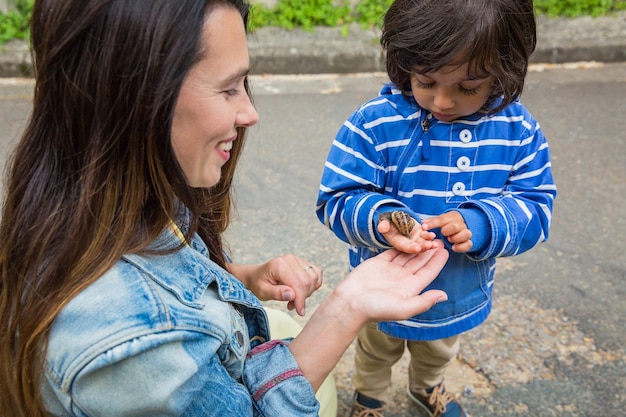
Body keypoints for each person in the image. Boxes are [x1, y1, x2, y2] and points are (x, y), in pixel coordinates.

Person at [0, 1, 452, 416]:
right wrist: (346, 310)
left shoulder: (107, 201)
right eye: (228, 88)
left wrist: (245, 277)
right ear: (137, 98)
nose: (250, 112)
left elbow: (171, 277)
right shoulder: (130, 348)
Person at [315, 0, 557, 416]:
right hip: (380, 288)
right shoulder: (375, 122)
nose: (442, 102)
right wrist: (381, 218)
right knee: (375, 350)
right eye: (426, 81)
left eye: (468, 87)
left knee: (438, 352)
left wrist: (484, 222)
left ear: (505, 71)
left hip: (456, 291)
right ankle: (370, 397)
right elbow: (337, 196)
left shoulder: (517, 131)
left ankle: (425, 389)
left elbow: (536, 204)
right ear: (404, 60)